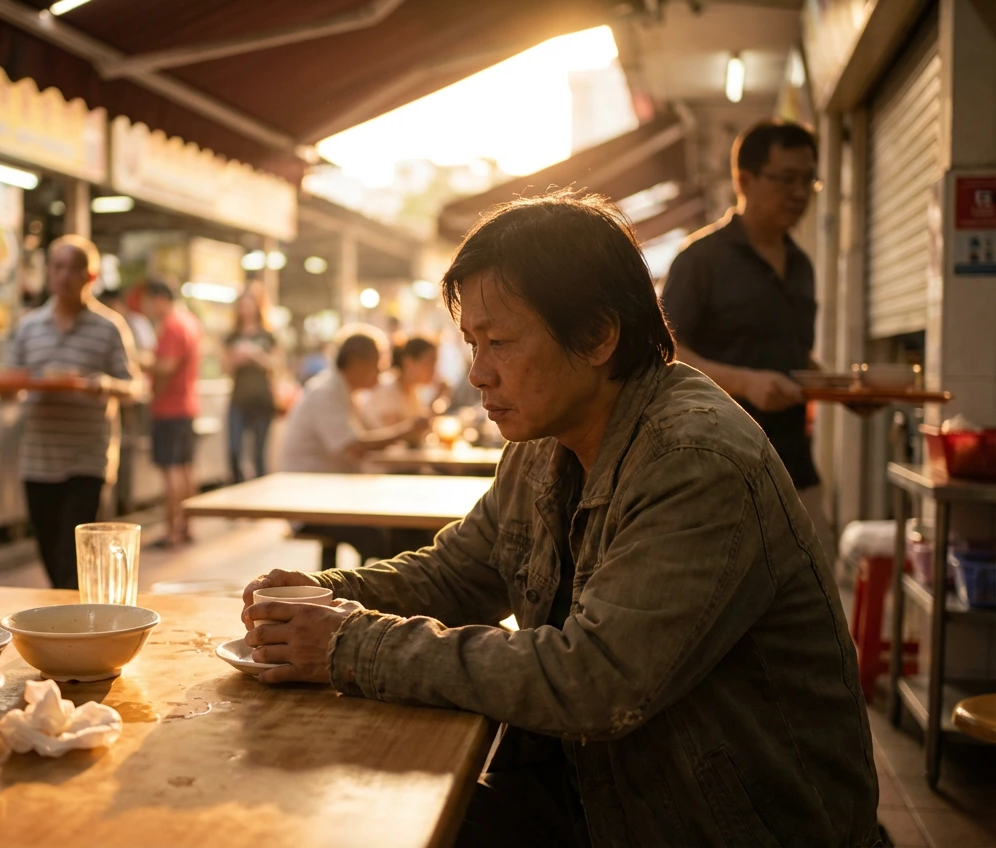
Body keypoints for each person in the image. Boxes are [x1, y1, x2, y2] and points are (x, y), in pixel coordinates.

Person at [242, 192, 878, 846]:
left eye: (502, 342)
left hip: (718, 824)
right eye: (471, 343)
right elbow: (459, 574)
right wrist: (319, 600)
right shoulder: (545, 442)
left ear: (600, 334)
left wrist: (350, 644)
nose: (479, 373)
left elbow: (594, 681)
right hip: (592, 793)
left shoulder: (696, 459)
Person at [661, 119, 835, 561]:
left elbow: (789, 352)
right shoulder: (699, 260)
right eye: (786, 179)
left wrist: (839, 385)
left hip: (794, 460)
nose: (800, 193)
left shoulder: (801, 265)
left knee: (813, 590)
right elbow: (665, 353)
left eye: (808, 180)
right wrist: (746, 383)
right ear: (744, 180)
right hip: (716, 463)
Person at [4, 235, 141, 590]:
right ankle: (67, 622)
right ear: (48, 272)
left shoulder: (109, 327)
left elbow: (133, 387)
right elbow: (12, 380)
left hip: (87, 459)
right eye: (58, 267)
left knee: (74, 558)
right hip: (38, 458)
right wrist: (4, 388)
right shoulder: (29, 327)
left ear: (90, 277)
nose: (64, 276)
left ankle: (75, 632)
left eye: (74, 269)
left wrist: (102, 385)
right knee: (51, 555)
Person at [280, 326, 430, 563]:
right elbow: (357, 446)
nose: (382, 370)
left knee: (398, 528)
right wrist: (406, 431)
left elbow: (370, 438)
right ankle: (368, 592)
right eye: (378, 363)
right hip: (312, 503)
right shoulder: (326, 394)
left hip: (334, 496)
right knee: (389, 538)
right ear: (356, 362)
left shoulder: (344, 392)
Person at [142, 278, 202, 548]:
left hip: (170, 408)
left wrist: (140, 360)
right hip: (186, 405)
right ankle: (185, 526)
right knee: (185, 469)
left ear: (160, 298)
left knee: (172, 471)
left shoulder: (172, 326)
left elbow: (166, 366)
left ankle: (171, 531)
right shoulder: (189, 321)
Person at [225, 287, 278, 483]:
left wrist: (255, 355)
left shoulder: (267, 336)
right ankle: (237, 494)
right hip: (238, 399)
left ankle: (260, 501)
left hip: (262, 399)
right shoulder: (232, 336)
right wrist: (237, 359)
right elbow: (225, 366)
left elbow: (275, 366)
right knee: (234, 450)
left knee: (259, 456)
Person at [357, 334, 440, 434]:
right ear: (408, 362)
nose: (433, 370)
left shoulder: (413, 393)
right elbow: (395, 436)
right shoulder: (386, 388)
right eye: (429, 362)